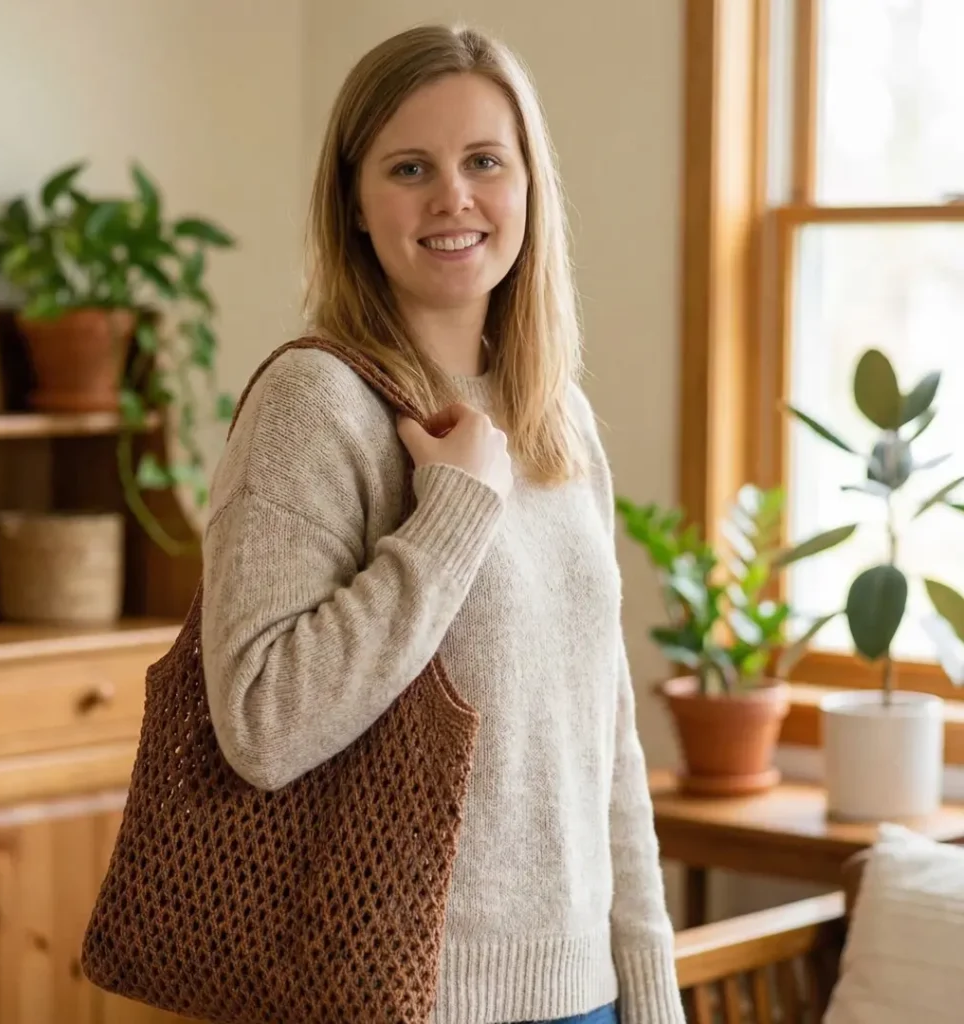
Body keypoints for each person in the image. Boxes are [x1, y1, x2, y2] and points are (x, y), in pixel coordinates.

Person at [201, 22, 684, 1024]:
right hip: (397, 1001)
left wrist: (649, 988)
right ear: (356, 206)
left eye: (483, 162)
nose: (452, 198)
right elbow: (261, 723)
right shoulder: (314, 405)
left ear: (527, 189)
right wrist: (453, 516)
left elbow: (605, 737)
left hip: (583, 996)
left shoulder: (558, 418)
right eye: (409, 166)